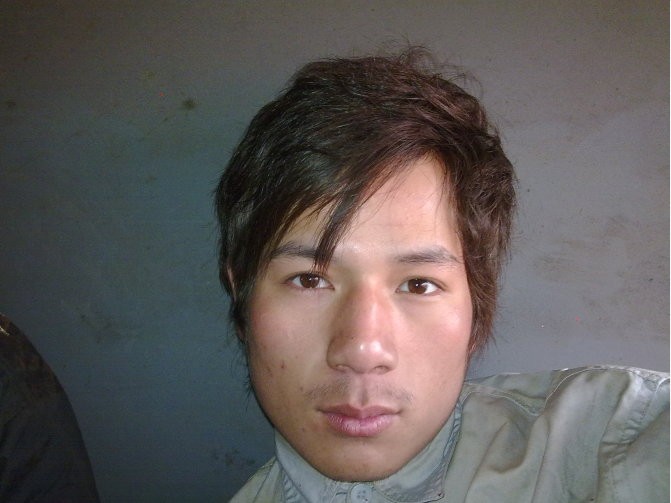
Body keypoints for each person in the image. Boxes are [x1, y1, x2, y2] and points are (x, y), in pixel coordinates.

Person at [215, 49, 669, 502]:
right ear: (242, 295)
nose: (362, 350)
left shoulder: (607, 444)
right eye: (309, 280)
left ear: (477, 306)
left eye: (418, 284)